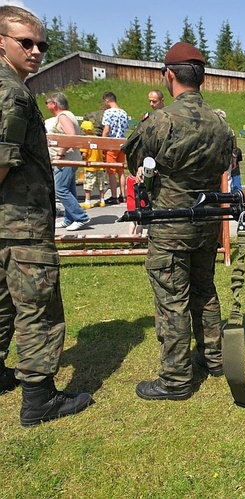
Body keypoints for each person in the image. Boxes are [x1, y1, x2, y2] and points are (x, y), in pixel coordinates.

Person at [122, 41, 234, 401]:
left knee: (172, 298)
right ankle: (214, 358)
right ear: (201, 77)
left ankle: (175, 379)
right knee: (204, 289)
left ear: (168, 75)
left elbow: (134, 161)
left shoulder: (160, 121)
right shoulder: (221, 124)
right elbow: (229, 163)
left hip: (171, 224)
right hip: (207, 223)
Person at [0, 5, 93, 423]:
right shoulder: (11, 93)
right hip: (21, 223)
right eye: (26, 43)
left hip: (9, 223)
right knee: (37, 307)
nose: (36, 51)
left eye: (42, 45)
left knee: (3, 302)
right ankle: (39, 398)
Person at [45, 92, 90, 231]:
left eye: (47, 102)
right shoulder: (66, 116)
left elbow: (71, 136)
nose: (46, 105)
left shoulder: (63, 116)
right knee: (69, 189)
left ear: (54, 104)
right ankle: (69, 218)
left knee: (60, 189)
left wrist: (60, 153)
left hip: (66, 158)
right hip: (69, 158)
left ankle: (80, 217)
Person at [101, 91, 129, 205]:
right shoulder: (124, 113)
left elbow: (106, 129)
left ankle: (113, 195)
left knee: (111, 171)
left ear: (107, 100)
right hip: (122, 143)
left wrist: (102, 142)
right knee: (121, 170)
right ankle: (123, 194)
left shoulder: (108, 113)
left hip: (111, 144)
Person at [79, 120, 107, 209]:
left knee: (88, 186)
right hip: (100, 165)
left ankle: (87, 201)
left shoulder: (86, 140)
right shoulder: (97, 139)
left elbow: (84, 154)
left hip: (90, 167)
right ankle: (102, 201)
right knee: (101, 185)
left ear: (83, 129)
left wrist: (82, 159)